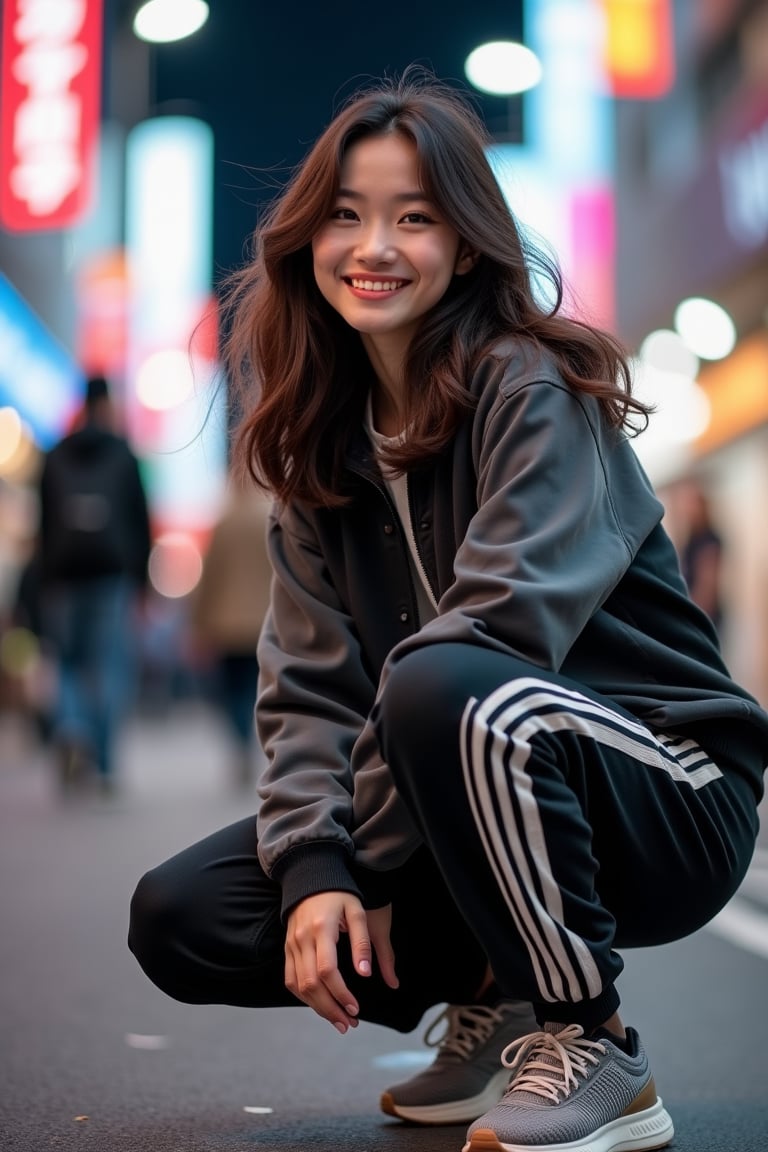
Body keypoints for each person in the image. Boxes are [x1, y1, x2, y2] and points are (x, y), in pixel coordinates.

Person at [128, 71, 768, 1152]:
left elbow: (498, 638)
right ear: (307, 241)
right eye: (346, 215)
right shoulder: (319, 452)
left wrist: (369, 857)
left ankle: (593, 1039)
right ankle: (501, 1000)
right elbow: (306, 694)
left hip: (662, 785)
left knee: (444, 682)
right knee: (188, 914)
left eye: (413, 218)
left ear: (467, 245)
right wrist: (320, 872)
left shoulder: (532, 392)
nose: (373, 246)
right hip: (468, 765)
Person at [37, 373, 151, 793]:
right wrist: (143, 581)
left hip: (63, 577)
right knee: (108, 666)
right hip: (110, 575)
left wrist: (43, 579)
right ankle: (103, 765)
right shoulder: (123, 454)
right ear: (108, 404)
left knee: (66, 663)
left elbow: (44, 524)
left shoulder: (55, 454)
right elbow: (141, 521)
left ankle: (70, 726)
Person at [188, 476, 273, 787]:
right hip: (264, 622)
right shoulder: (269, 516)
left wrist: (197, 625)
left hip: (227, 625)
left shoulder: (225, 522)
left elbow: (209, 577)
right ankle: (253, 739)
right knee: (258, 688)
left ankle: (240, 741)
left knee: (232, 691)